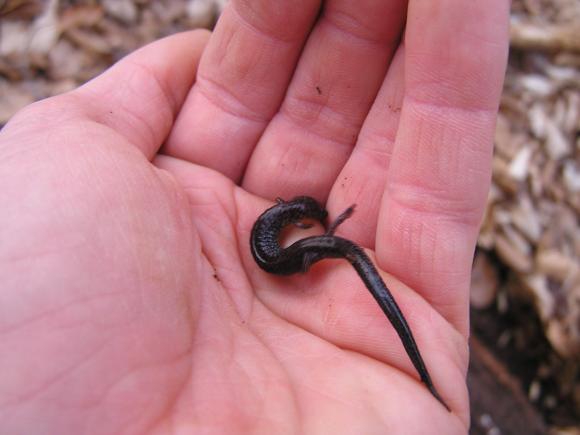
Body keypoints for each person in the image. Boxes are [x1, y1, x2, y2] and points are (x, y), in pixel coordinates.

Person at [0, 1, 509, 433]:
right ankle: (377, 306)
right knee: (347, 254)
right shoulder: (281, 233)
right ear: (297, 216)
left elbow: (296, 227)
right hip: (281, 263)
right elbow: (294, 233)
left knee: (346, 253)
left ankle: (355, 275)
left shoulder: (279, 223)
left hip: (285, 257)